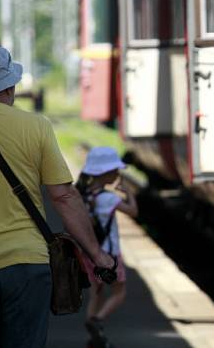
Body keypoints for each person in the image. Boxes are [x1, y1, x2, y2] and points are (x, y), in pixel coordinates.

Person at [0, 47, 115, 348]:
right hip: (27, 265)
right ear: (9, 86)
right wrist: (96, 254)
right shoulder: (35, 126)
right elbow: (65, 197)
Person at [75, 147, 138, 345]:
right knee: (119, 292)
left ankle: (93, 337)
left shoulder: (83, 196)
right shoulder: (109, 198)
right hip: (109, 257)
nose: (118, 173)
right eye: (115, 170)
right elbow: (133, 212)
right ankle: (97, 321)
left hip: (91, 255)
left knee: (97, 293)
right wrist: (128, 193)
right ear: (106, 173)